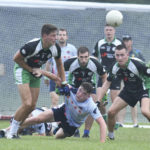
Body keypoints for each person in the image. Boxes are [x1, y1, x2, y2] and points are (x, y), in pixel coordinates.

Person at [7, 24, 66, 139]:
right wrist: (30, 70)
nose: (56, 38)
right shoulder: (32, 46)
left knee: (32, 106)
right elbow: (16, 58)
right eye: (53, 36)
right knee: (27, 103)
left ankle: (13, 131)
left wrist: (63, 82)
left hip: (36, 72)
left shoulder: (55, 48)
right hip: (22, 69)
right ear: (45, 36)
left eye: (56, 35)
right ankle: (12, 132)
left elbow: (59, 64)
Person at [20, 82, 107, 143]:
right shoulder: (71, 90)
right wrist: (59, 88)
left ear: (88, 96)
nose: (79, 94)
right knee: (37, 119)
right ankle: (12, 128)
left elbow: (102, 123)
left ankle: (55, 129)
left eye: (83, 94)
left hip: (72, 125)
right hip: (63, 111)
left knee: (57, 136)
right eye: (80, 90)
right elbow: (58, 83)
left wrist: (102, 142)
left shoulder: (91, 105)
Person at [98, 44, 150, 140]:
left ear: (127, 54)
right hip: (128, 91)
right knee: (111, 112)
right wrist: (98, 100)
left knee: (145, 112)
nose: (120, 58)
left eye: (122, 55)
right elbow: (106, 83)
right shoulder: (115, 67)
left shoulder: (137, 64)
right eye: (117, 55)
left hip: (143, 89)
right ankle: (111, 135)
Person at [64, 46, 107, 137]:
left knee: (93, 106)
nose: (84, 60)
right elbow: (60, 72)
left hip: (90, 87)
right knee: (73, 108)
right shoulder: (69, 63)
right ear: (77, 56)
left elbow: (104, 76)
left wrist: (105, 93)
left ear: (89, 56)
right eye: (81, 57)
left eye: (86, 57)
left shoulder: (95, 63)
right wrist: (60, 86)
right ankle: (75, 130)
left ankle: (86, 133)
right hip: (75, 86)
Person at [92, 24, 122, 128]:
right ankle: (104, 118)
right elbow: (94, 58)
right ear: (104, 31)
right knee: (99, 101)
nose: (109, 32)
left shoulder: (119, 43)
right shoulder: (100, 43)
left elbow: (123, 58)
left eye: (111, 30)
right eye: (107, 30)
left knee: (115, 101)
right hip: (103, 75)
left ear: (114, 31)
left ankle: (116, 123)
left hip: (116, 75)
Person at [117, 35, 146, 128]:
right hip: (124, 80)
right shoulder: (120, 53)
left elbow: (143, 65)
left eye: (128, 40)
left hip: (137, 81)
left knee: (135, 103)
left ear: (131, 42)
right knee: (123, 99)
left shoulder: (137, 53)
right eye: (124, 40)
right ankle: (121, 122)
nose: (126, 42)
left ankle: (135, 122)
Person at [44, 28, 77, 108]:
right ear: (57, 37)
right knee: (54, 100)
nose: (62, 37)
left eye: (63, 35)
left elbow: (76, 63)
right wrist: (46, 77)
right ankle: (52, 120)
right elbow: (48, 63)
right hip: (55, 78)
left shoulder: (72, 49)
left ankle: (68, 120)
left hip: (68, 79)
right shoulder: (52, 48)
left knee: (70, 102)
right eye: (60, 35)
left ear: (67, 37)